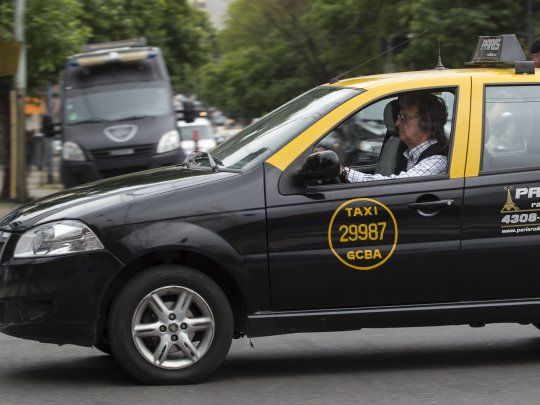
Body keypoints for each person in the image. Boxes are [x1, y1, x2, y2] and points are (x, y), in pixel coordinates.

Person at [340, 92, 448, 182]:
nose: (396, 123)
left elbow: (395, 185)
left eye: (403, 117)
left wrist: (344, 172)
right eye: (398, 117)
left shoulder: (437, 160)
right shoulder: (406, 152)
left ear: (426, 122)